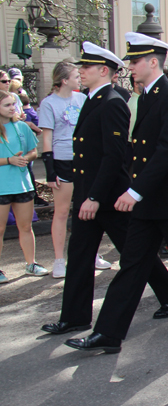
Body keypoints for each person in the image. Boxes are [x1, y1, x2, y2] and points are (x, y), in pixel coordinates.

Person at [40, 43, 168, 335]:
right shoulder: (97, 100)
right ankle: (81, 319)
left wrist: (102, 195)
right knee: (88, 255)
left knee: (145, 258)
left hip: (112, 196)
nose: (80, 72)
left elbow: (116, 154)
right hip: (98, 193)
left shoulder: (114, 101)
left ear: (102, 70)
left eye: (86, 67)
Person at [39, 61, 86, 278]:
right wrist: (50, 170)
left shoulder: (82, 99)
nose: (80, 79)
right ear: (64, 80)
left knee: (87, 208)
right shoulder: (49, 104)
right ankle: (59, 260)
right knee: (62, 211)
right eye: (76, 76)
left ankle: (90, 254)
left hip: (83, 159)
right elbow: (46, 138)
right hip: (62, 160)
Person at [0, 89, 47, 282]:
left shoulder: (22, 127)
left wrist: (25, 158)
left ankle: (31, 263)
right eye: (7, 105)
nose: (12, 108)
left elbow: (34, 152)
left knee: (26, 227)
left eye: (13, 104)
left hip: (22, 185)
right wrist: (8, 160)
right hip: (2, 186)